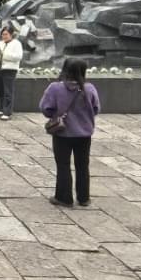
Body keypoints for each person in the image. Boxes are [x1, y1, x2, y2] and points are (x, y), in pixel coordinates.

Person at [40, 58, 101, 208]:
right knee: (83, 165)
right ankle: (84, 198)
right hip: (84, 134)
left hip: (63, 133)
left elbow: (45, 108)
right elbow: (96, 109)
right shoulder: (89, 88)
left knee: (63, 165)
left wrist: (56, 114)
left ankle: (64, 198)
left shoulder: (55, 88)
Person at [0, 25, 23, 120]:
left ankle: (7, 112)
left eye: (6, 34)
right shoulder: (0, 43)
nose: (4, 36)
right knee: (0, 90)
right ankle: (0, 109)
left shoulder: (16, 44)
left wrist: (3, 54)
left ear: (11, 34)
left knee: (8, 91)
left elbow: (18, 57)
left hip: (10, 70)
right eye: (3, 34)